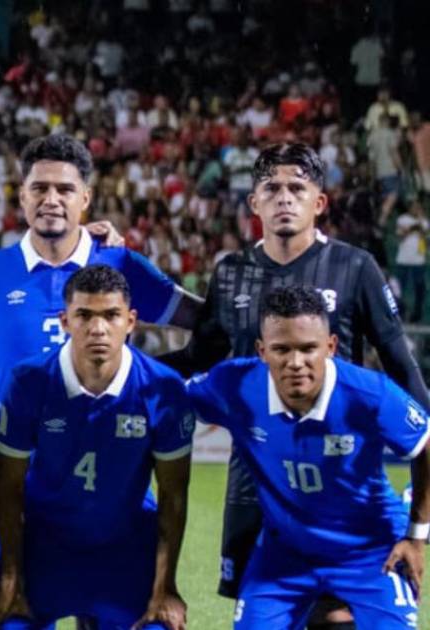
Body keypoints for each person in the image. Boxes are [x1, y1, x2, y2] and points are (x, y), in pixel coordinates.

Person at [0, 133, 200, 615]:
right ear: (22, 195)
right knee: (4, 611)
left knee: (102, 611)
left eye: (65, 190)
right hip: (15, 477)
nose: (51, 199)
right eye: (39, 188)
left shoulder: (120, 265)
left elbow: (206, 322)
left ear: (86, 198)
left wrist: (167, 378)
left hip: (107, 476)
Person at [162, 143, 430, 627]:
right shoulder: (231, 273)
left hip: (337, 456)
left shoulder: (355, 267)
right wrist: (126, 365)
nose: (284, 197)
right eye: (271, 188)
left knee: (336, 607)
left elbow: (401, 365)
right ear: (254, 202)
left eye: (296, 188)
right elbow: (199, 357)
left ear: (319, 202)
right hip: (256, 466)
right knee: (268, 595)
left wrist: (423, 433)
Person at [187, 285, 430, 628]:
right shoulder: (235, 384)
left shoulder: (369, 393)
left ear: (330, 346)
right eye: (281, 349)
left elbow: (426, 445)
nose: (295, 362)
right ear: (262, 351)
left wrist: (416, 535)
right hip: (285, 555)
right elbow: (164, 393)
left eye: (308, 348)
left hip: (371, 551)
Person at [0, 265, 192, 630]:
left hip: (125, 545)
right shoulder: (28, 381)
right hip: (47, 545)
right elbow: (8, 487)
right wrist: (11, 575)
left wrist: (166, 586)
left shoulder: (163, 388)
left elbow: (173, 495)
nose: (98, 328)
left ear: (131, 321)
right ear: (65, 321)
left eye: (111, 315)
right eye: (84, 315)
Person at [394, 200, 428, 323]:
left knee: (419, 288)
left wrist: (419, 224)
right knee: (399, 289)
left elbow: (425, 236)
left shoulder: (424, 221)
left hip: (418, 260)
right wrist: (413, 228)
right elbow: (400, 235)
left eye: (418, 207)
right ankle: (398, 313)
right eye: (413, 207)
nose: (415, 209)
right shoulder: (402, 219)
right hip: (403, 259)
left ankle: (416, 315)